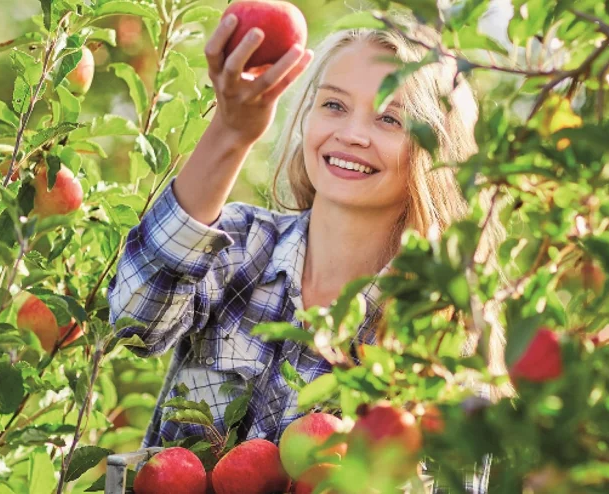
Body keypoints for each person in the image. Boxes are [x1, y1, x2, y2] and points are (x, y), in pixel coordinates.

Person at [107, 10, 509, 494]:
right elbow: (133, 324)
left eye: (389, 118)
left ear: (433, 151)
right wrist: (231, 132)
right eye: (334, 106)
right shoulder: (241, 246)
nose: (352, 134)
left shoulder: (443, 338)